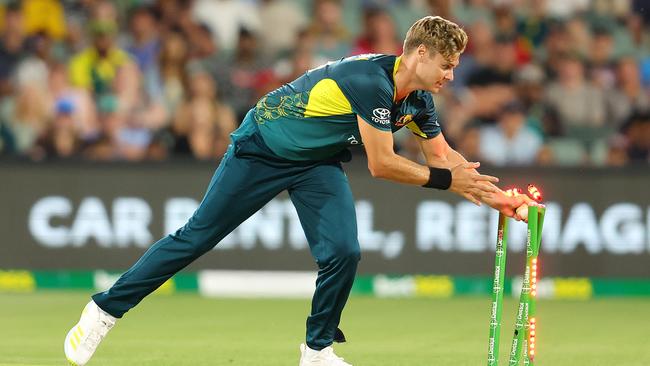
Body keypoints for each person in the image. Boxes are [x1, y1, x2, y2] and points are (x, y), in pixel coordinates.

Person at [63, 16, 529, 366]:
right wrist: (450, 182)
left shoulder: (419, 101)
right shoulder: (369, 80)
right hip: (262, 147)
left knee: (344, 251)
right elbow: (383, 165)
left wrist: (503, 200)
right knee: (195, 238)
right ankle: (103, 311)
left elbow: (445, 162)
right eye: (447, 65)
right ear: (420, 54)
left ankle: (317, 349)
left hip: (315, 163)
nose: (452, 75)